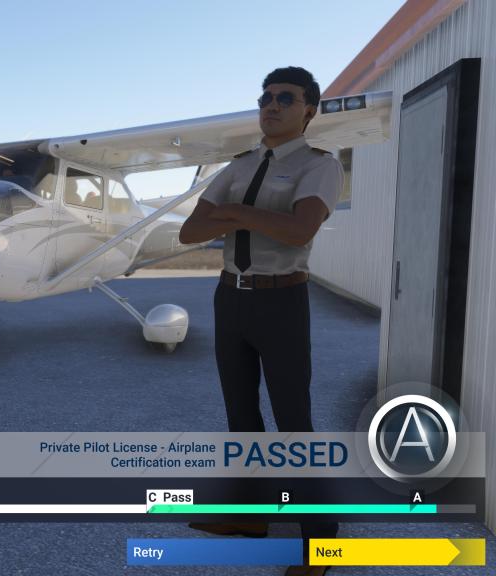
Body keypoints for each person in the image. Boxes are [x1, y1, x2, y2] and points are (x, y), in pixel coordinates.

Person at [179, 66, 342, 576]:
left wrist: (234, 213)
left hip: (281, 301)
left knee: (294, 422)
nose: (271, 105)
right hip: (230, 299)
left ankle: (322, 542)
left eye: (285, 98)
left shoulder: (319, 166)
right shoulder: (241, 164)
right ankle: (250, 516)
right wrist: (253, 215)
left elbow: (298, 231)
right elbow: (189, 232)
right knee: (241, 416)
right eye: (266, 97)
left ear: (308, 110)